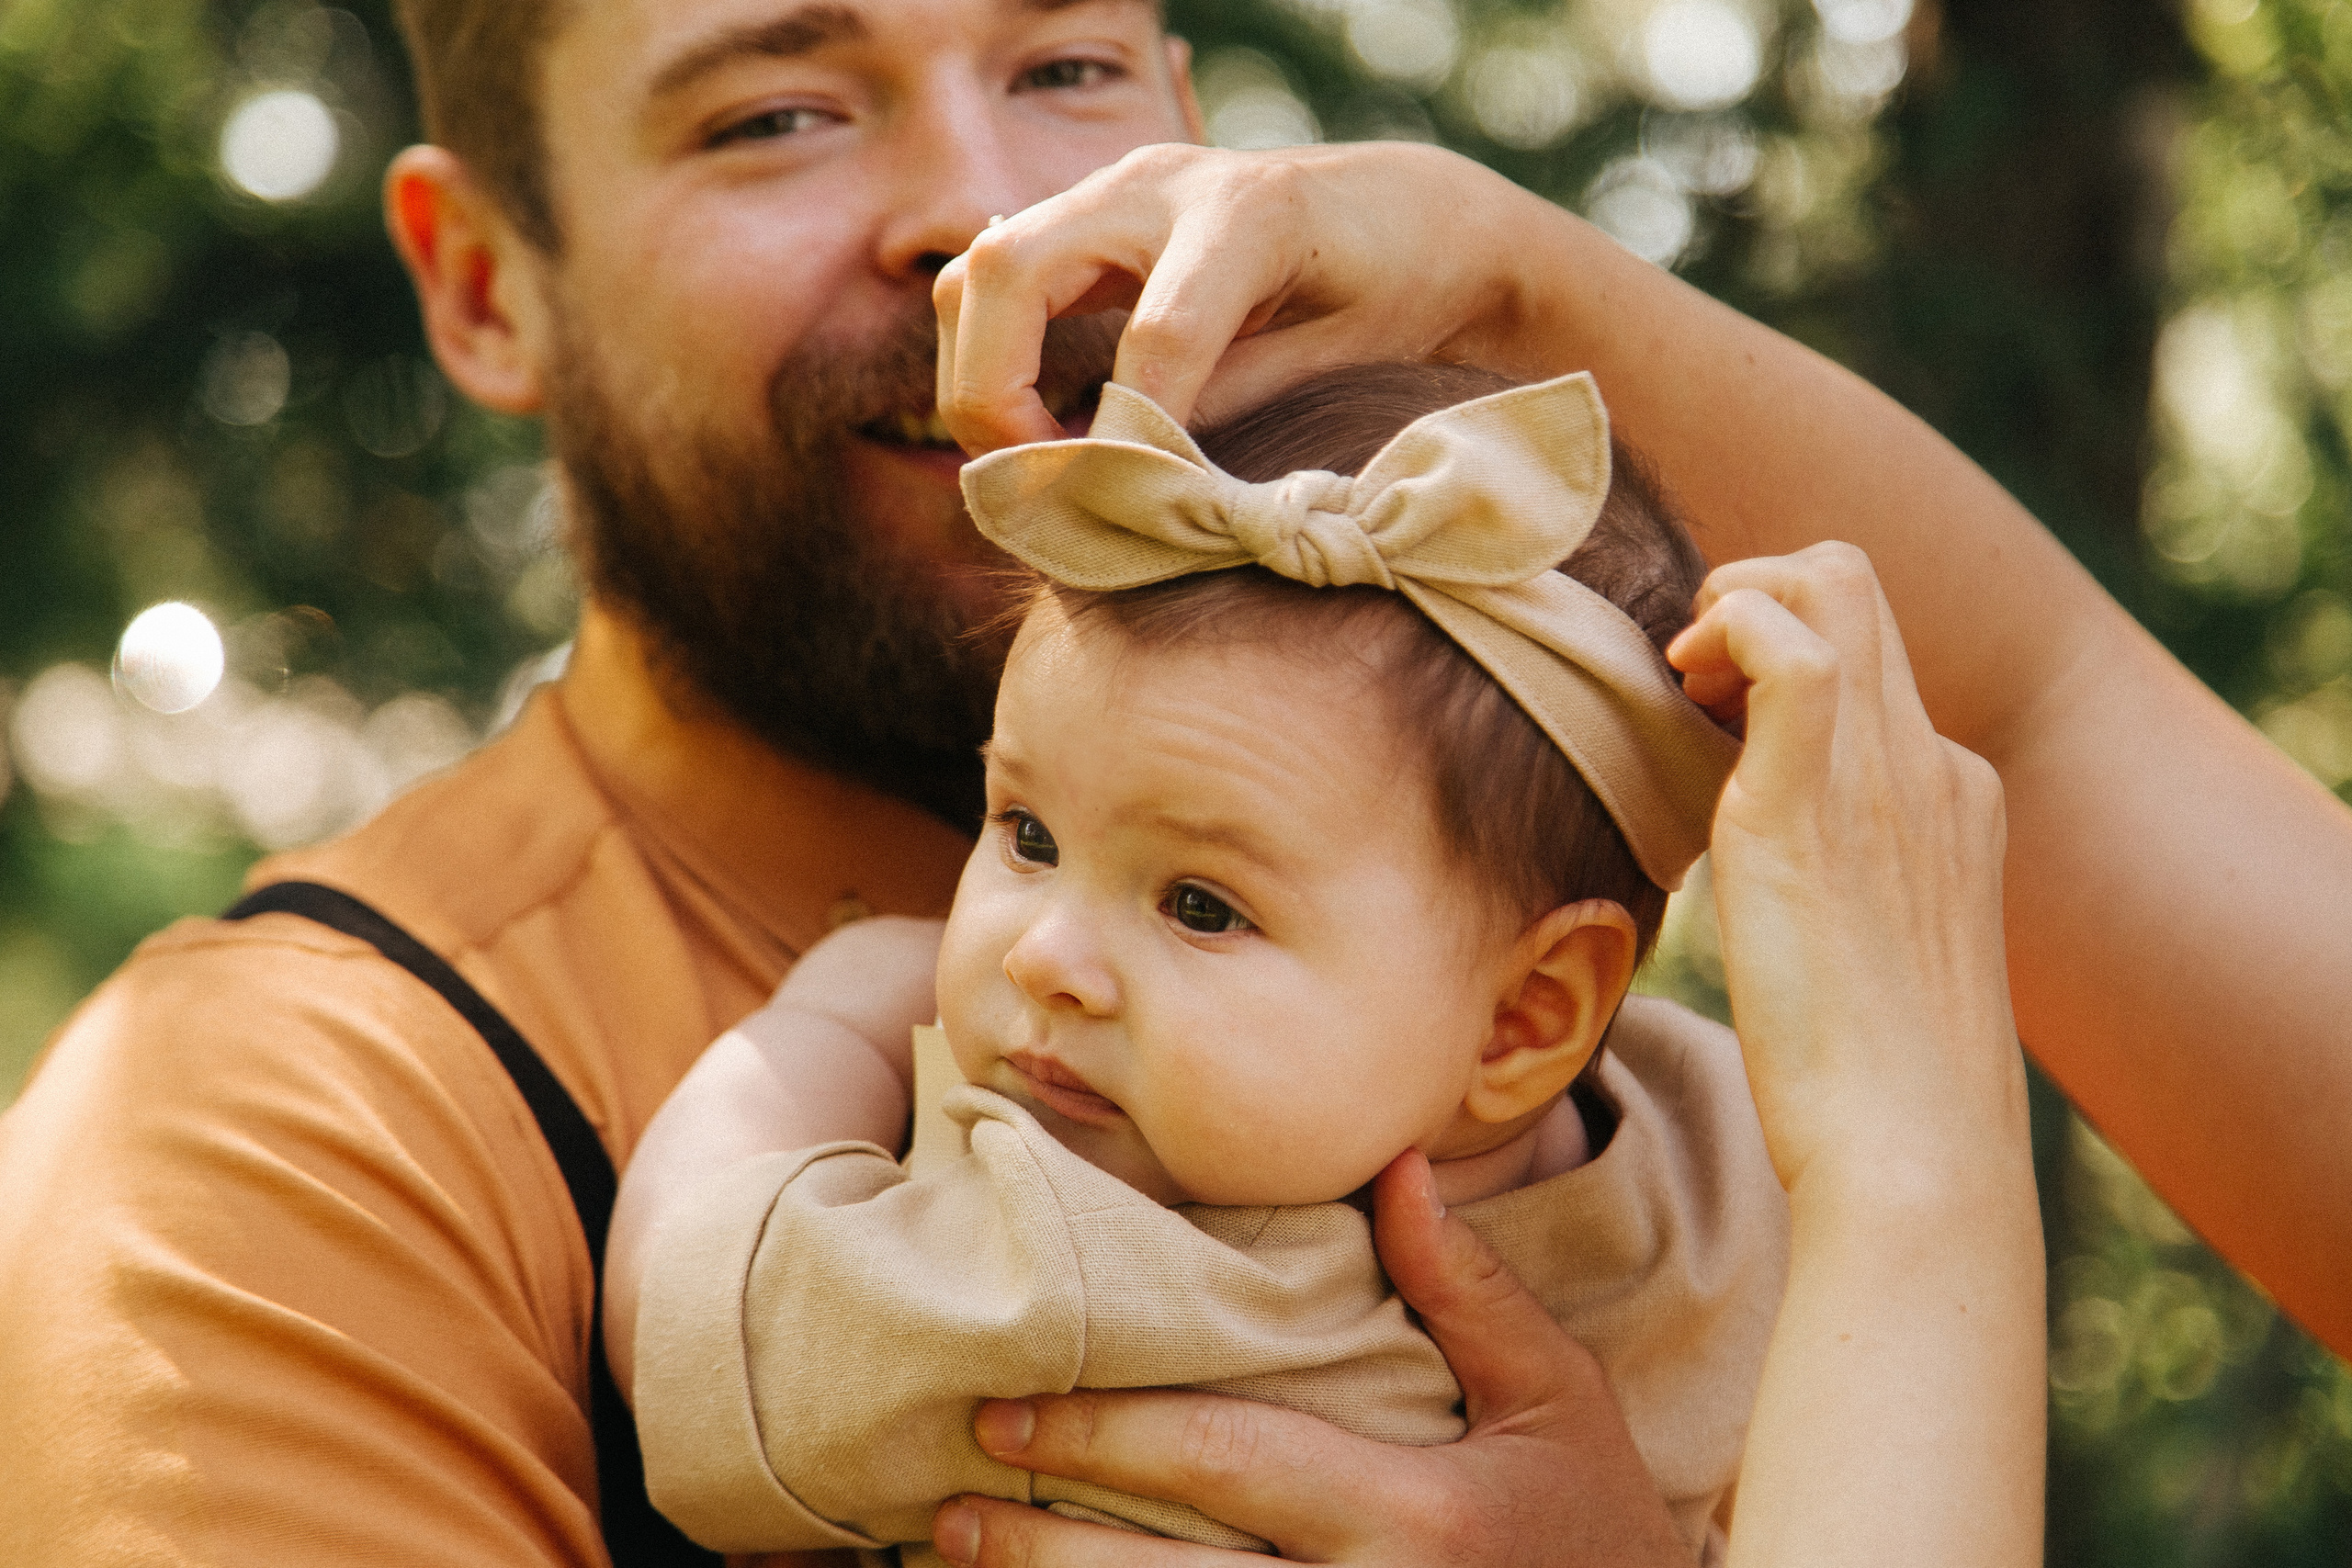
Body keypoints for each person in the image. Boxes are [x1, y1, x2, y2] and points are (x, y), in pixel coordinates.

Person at [0, 0, 2332, 1560]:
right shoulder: (286, 1135)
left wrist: (1525, 300)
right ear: (485, 280)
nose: (972, 211)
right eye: (774, 110)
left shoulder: (1579, 986)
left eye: (1068, 62)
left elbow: (2006, 738)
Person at [608, 366, 1794, 1564]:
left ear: (1526, 1018)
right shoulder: (1728, 1151)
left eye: (1199, 906)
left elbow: (683, 1308)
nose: (1047, 955)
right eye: (1027, 833)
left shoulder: (1070, 1282)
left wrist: (839, 1017)